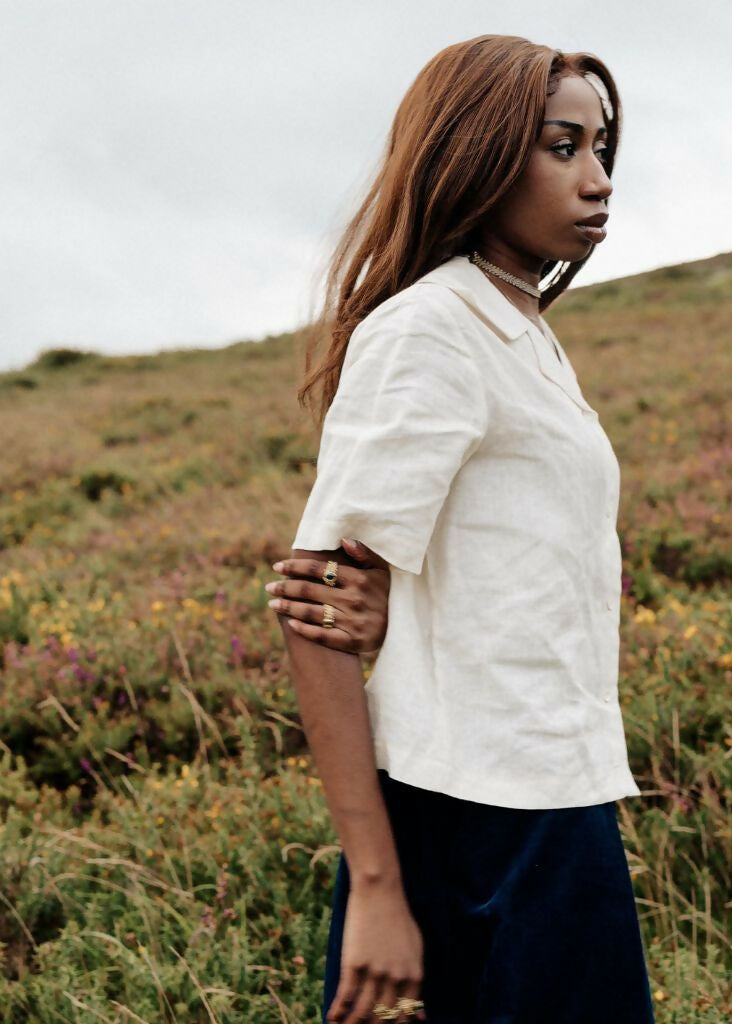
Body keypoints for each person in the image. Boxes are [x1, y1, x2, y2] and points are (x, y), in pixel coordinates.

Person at [267, 34, 655, 1024]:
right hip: (475, 819)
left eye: (601, 148)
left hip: (554, 795)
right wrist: (378, 889)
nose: (598, 178)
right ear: (477, 155)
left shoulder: (518, 330)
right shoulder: (431, 330)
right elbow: (315, 611)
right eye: (562, 147)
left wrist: (401, 605)